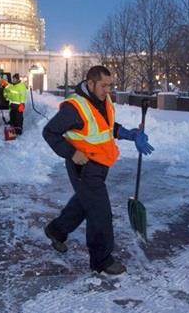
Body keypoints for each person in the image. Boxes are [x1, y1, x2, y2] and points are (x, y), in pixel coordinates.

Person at [42, 65, 154, 275]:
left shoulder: (102, 102)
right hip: (82, 167)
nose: (107, 90)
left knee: (85, 204)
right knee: (101, 213)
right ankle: (101, 260)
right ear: (90, 83)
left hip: (100, 164)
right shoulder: (74, 108)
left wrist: (128, 134)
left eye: (110, 86)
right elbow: (49, 132)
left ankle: (56, 230)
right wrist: (71, 152)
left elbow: (105, 126)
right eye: (103, 85)